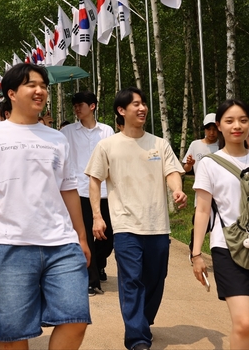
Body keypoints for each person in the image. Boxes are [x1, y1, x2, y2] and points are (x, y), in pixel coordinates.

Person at [0, 63, 91, 350]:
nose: (40, 90)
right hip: (10, 246)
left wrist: (81, 237)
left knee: (75, 318)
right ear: (12, 93)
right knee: (12, 332)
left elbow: (68, 190)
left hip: (62, 244)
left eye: (43, 85)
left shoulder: (57, 138)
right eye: (32, 84)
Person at [86, 87, 186, 350]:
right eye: (136, 105)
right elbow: (95, 181)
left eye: (144, 104)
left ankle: (142, 319)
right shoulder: (107, 145)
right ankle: (137, 338)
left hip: (157, 225)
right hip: (125, 225)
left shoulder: (159, 143)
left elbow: (172, 171)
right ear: (122, 110)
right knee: (131, 280)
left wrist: (177, 189)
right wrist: (97, 216)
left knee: (156, 277)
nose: (142, 109)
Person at [191, 99, 249, 349]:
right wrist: (196, 254)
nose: (238, 126)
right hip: (227, 247)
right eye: (230, 121)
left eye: (244, 120)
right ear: (219, 127)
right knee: (245, 322)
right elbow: (202, 210)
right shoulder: (209, 164)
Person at [60, 91, 114, 296]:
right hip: (79, 191)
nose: (76, 108)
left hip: (105, 192)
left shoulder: (107, 131)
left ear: (92, 106)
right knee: (87, 237)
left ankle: (99, 261)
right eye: (74, 105)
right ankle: (91, 281)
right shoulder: (68, 133)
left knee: (109, 239)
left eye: (80, 104)